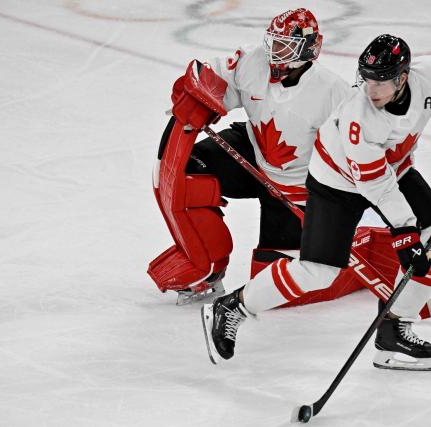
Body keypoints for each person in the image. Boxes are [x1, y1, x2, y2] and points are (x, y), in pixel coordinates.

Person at [201, 34, 431, 371]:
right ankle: (233, 306)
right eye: (366, 80)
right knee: (318, 271)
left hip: (393, 169)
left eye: (380, 82)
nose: (370, 90)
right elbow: (375, 186)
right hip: (336, 181)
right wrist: (404, 234)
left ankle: (394, 330)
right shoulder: (359, 117)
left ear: (403, 78)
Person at [148, 8, 351, 305]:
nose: (273, 53)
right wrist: (193, 95)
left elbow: (354, 154)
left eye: (284, 46)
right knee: (190, 171)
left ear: (308, 49)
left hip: (296, 188)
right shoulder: (252, 60)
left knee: (272, 282)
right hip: (252, 149)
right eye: (273, 42)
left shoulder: (334, 93)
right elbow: (212, 77)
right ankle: (209, 267)